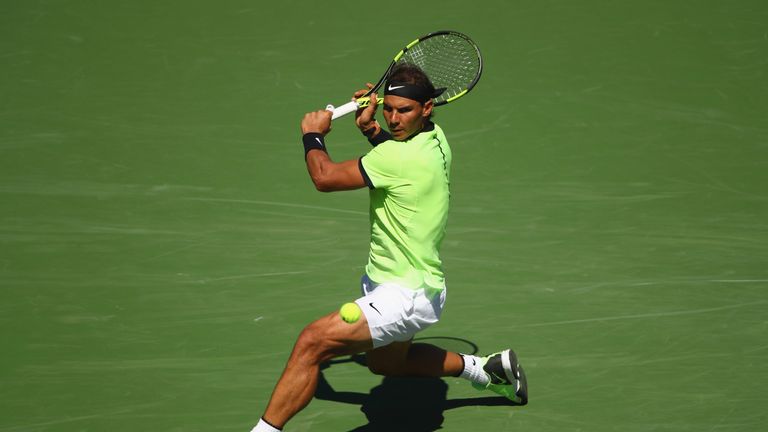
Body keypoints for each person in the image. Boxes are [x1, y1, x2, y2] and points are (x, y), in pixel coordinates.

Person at [251, 64, 527, 432]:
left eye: (405, 110)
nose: (394, 119)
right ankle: (486, 370)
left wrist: (313, 135)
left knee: (311, 343)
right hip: (407, 283)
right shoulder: (435, 138)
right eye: (389, 109)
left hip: (405, 293)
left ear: (427, 107)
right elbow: (394, 156)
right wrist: (370, 129)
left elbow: (325, 177)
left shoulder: (397, 159)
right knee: (387, 366)